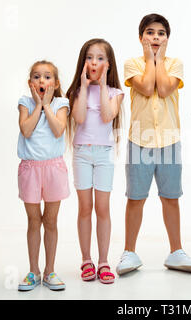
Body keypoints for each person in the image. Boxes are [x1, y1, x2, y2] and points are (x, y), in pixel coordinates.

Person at [116, 13, 191, 275]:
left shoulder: (175, 64)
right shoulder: (132, 64)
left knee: (170, 198)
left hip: (169, 141)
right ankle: (129, 252)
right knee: (135, 198)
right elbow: (146, 86)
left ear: (167, 38)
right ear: (141, 37)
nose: (155, 37)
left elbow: (163, 89)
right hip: (139, 140)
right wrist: (150, 59)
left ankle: (176, 251)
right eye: (150, 32)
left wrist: (160, 59)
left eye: (161, 33)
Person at [66, 39, 124, 284]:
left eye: (100, 58)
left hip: (103, 155)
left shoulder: (115, 93)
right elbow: (79, 118)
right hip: (81, 153)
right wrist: (82, 85)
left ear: (108, 65)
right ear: (83, 62)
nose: (94, 62)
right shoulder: (76, 92)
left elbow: (107, 115)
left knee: (102, 208)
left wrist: (100, 86)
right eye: (90, 57)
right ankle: (86, 259)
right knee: (85, 208)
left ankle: (103, 261)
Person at [17, 60, 69, 291]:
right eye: (37, 77)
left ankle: (49, 271)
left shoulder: (61, 103)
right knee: (33, 221)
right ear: (30, 83)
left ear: (55, 83)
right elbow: (26, 130)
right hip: (30, 169)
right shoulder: (25, 103)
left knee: (50, 221)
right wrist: (38, 105)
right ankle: (33, 271)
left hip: (54, 169)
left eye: (47, 77)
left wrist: (47, 105)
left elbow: (59, 130)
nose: (42, 81)